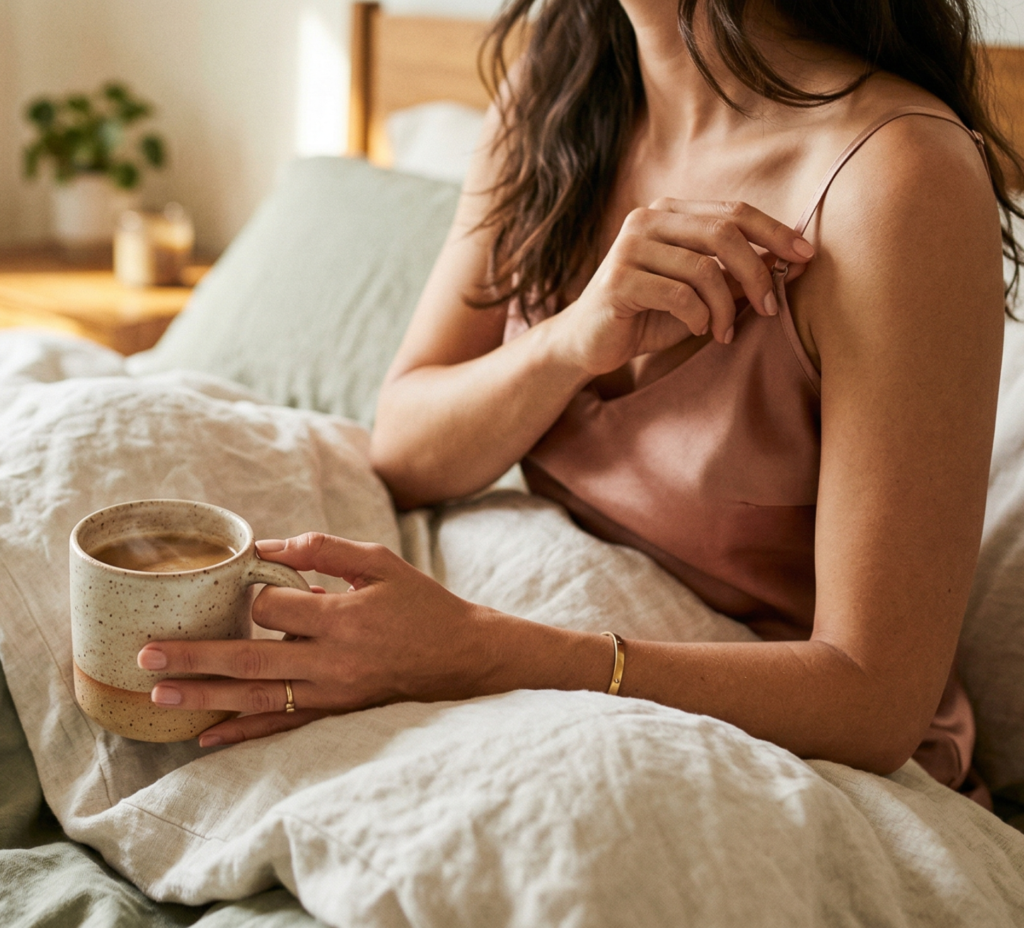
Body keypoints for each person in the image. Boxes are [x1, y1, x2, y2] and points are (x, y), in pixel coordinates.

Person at [138, 0, 1022, 796]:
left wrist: (479, 654)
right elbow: (404, 447)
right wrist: (574, 338)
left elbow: (874, 702)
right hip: (539, 633)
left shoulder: (901, 176)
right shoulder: (558, 90)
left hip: (787, 751)